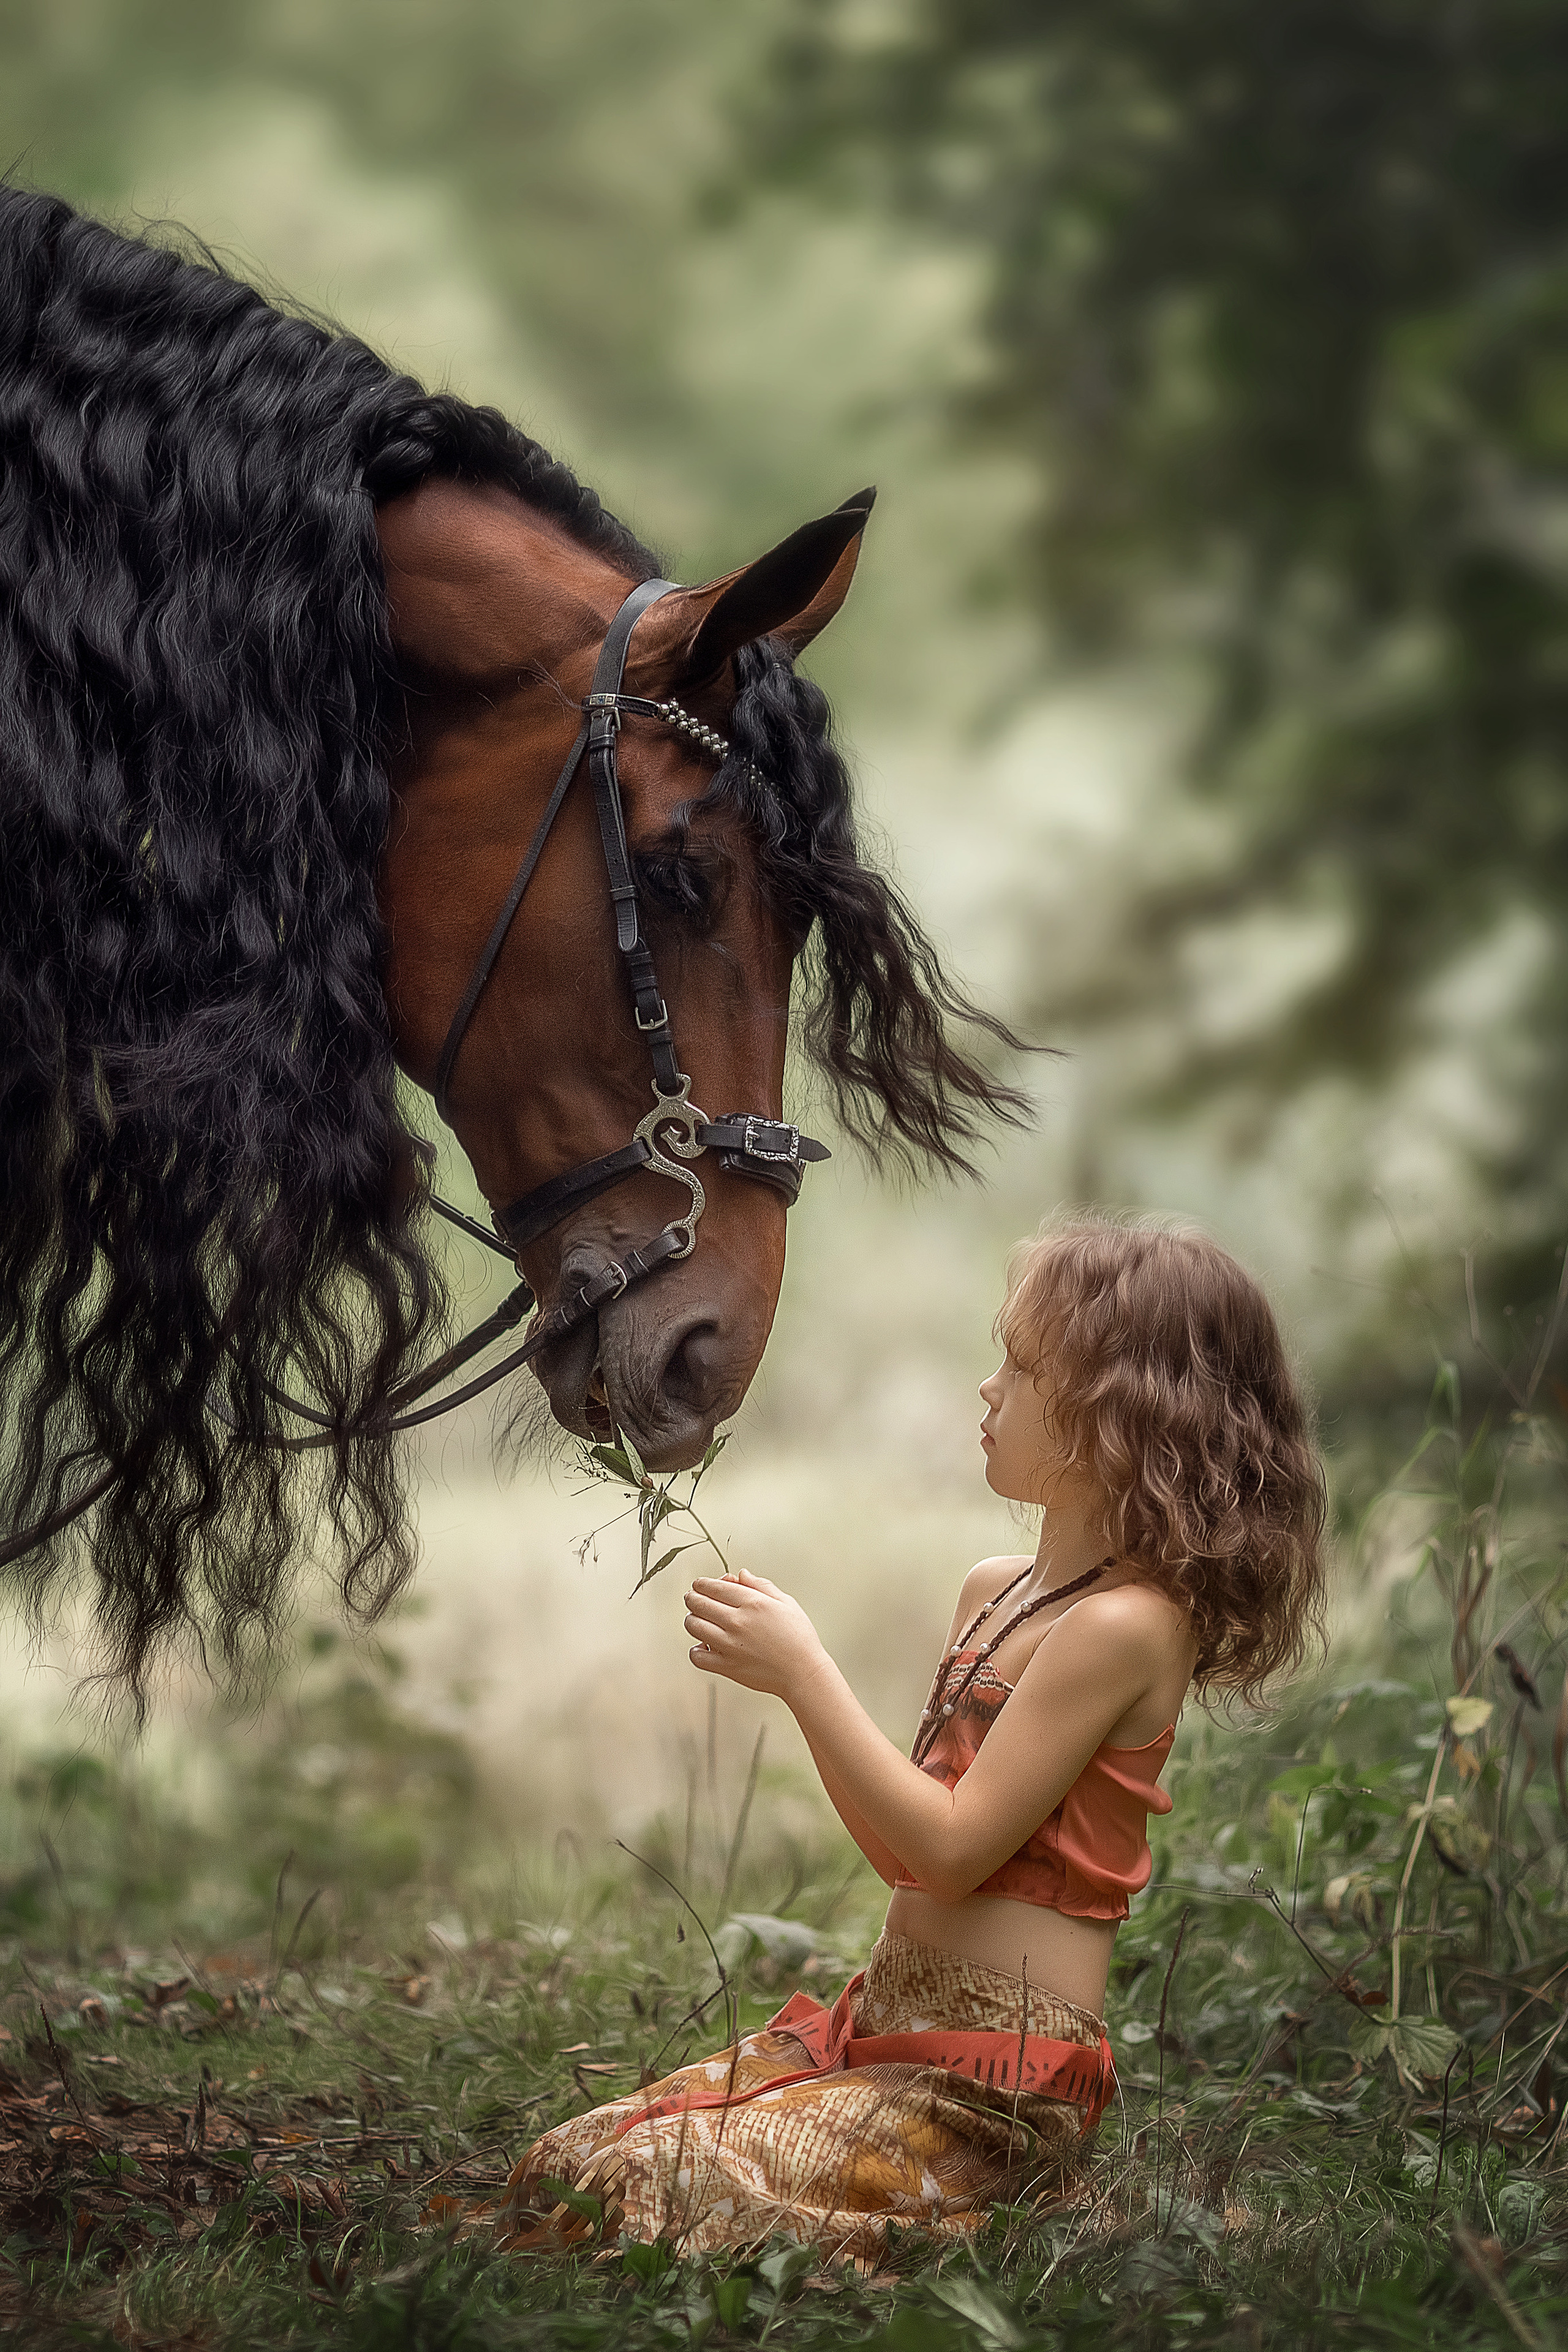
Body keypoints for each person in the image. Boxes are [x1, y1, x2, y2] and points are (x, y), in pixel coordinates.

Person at [499, 1214, 1325, 2264]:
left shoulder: (1125, 1625)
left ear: (1115, 1415)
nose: (990, 1391)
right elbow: (906, 1851)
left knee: (640, 2189)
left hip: (987, 2086)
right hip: (882, 2033)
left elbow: (947, 1851)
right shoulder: (995, 1593)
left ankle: (1006, 2217)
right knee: (568, 2160)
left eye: (1022, 1370)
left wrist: (805, 1676)